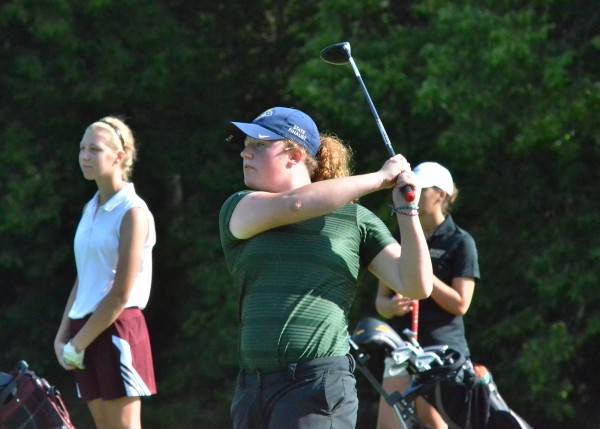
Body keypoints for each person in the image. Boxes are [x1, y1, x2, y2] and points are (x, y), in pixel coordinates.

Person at [219, 106, 433, 429]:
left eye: (259, 145)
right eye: (246, 144)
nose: (244, 153)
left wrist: (407, 211)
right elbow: (296, 203)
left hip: (317, 384)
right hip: (252, 389)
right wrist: (379, 178)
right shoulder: (240, 207)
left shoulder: (355, 220)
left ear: (294, 153)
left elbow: (416, 285)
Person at [54, 116, 157, 429]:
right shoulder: (91, 208)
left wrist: (77, 343)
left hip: (117, 329)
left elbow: (120, 294)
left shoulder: (133, 212)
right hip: (85, 332)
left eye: (95, 149)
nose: (85, 156)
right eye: (82, 148)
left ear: (119, 157)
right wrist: (63, 336)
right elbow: (84, 277)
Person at [374, 161, 480, 429]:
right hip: (401, 348)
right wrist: (393, 306)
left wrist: (423, 274)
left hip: (442, 351)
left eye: (422, 188)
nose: (414, 192)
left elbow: (461, 304)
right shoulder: (402, 237)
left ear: (441, 195)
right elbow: (381, 303)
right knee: (388, 426)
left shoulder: (460, 241)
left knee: (432, 422)